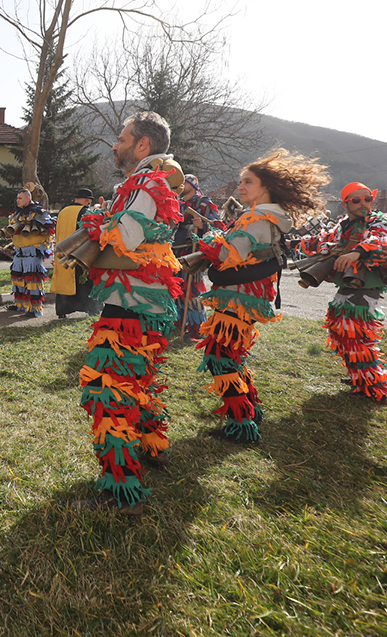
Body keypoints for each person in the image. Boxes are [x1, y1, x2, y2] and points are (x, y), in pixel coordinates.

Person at [74, 112, 182, 516]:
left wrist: (97, 223)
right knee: (141, 380)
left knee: (110, 393)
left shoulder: (144, 181)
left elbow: (126, 236)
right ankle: (154, 448)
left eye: (121, 139)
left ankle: (122, 493)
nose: (115, 146)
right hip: (150, 304)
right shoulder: (155, 183)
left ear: (142, 146)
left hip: (130, 304)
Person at [195, 150, 328, 443]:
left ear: (265, 187)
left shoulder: (256, 217)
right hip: (249, 299)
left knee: (219, 356)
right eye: (241, 181)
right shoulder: (271, 217)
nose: (240, 187)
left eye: (248, 182)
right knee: (232, 354)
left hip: (237, 298)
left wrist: (208, 242)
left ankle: (242, 424)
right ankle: (249, 410)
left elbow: (231, 255)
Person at [320, 182, 387, 403]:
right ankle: (360, 378)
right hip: (347, 284)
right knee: (339, 332)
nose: (364, 204)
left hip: (366, 285)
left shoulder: (378, 220)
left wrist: (357, 252)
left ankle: (377, 387)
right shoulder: (343, 225)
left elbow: (380, 239)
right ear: (345, 204)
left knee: (356, 335)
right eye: (356, 200)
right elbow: (327, 240)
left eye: (367, 199)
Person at [173, 174, 223, 339]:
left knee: (191, 288)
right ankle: (178, 322)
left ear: (193, 185)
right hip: (176, 249)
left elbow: (219, 226)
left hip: (192, 250)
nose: (181, 185)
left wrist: (203, 224)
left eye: (184, 183)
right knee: (176, 286)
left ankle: (196, 327)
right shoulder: (179, 203)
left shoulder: (204, 203)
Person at [4, 186, 56, 318]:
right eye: (17, 198)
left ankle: (34, 308)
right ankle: (20, 305)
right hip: (19, 252)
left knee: (32, 279)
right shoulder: (16, 214)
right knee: (17, 278)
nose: (17, 200)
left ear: (28, 199)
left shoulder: (38, 212)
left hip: (32, 251)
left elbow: (49, 230)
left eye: (20, 198)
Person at [51, 188, 101, 319]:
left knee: (64, 282)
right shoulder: (84, 211)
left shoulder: (63, 211)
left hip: (62, 252)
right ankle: (91, 309)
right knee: (83, 282)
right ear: (86, 201)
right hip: (78, 253)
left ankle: (62, 310)